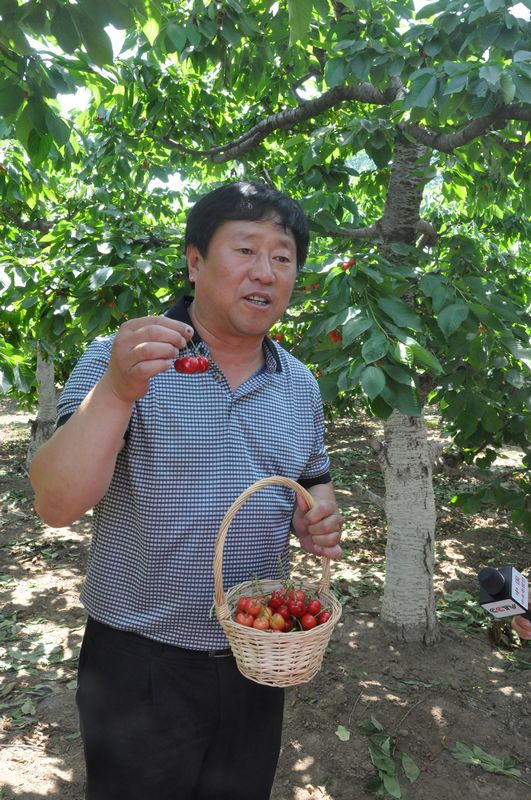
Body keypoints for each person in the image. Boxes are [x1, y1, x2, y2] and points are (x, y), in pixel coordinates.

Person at [29, 181, 343, 800]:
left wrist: (319, 516)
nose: (266, 271)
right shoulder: (124, 359)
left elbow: (312, 479)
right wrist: (118, 391)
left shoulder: (298, 383)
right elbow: (56, 504)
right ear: (195, 262)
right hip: (141, 660)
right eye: (246, 249)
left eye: (283, 257)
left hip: (257, 652)